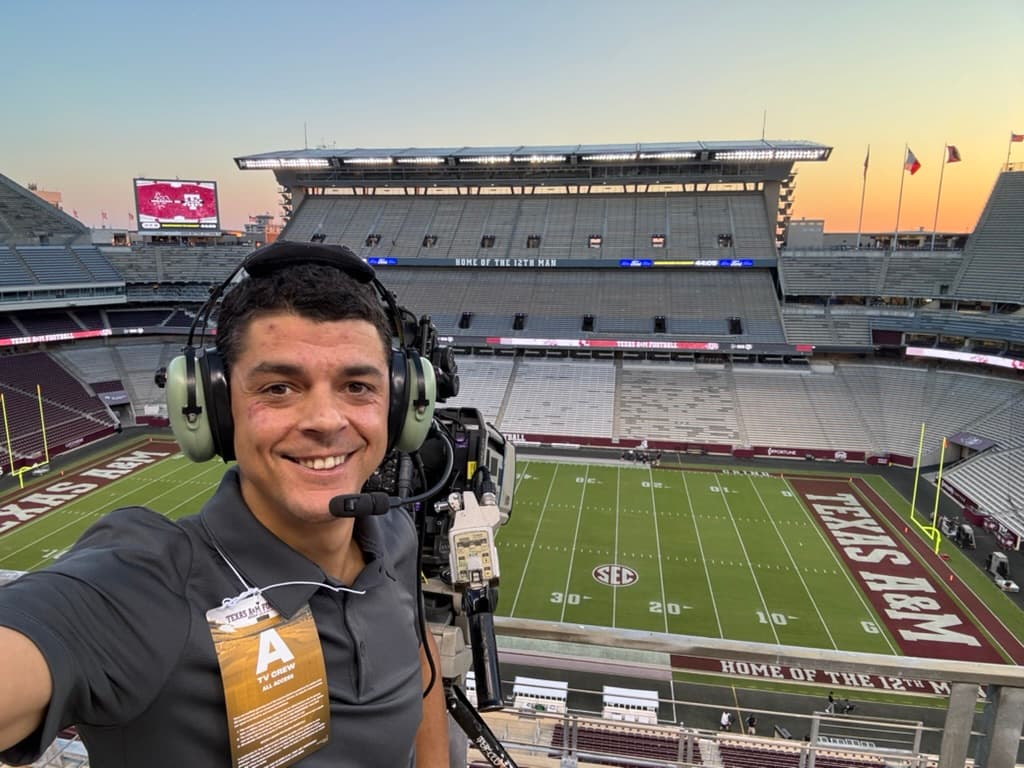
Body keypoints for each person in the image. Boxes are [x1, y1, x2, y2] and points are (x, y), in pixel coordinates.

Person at [0, 242, 449, 767]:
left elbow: (417, 663)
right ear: (211, 409)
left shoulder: (393, 533)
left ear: (400, 405)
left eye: (356, 386)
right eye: (279, 388)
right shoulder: (146, 584)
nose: (326, 421)